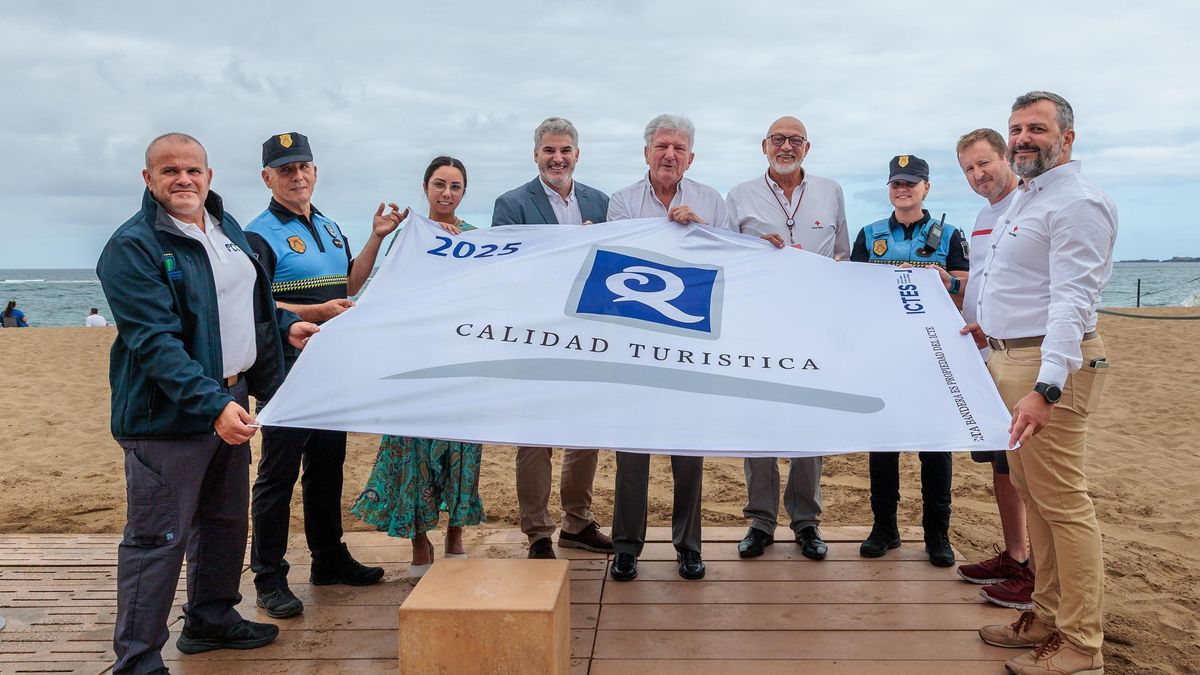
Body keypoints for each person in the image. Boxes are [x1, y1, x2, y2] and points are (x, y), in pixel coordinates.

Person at [97, 132, 319, 674]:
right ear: (148, 180)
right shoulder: (133, 246)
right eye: (169, 171)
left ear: (209, 176)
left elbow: (251, 305)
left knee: (223, 521)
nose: (183, 180)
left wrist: (286, 329)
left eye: (192, 170)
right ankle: (138, 660)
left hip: (232, 394)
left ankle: (211, 618)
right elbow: (155, 342)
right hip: (168, 417)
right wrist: (211, 405)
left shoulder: (226, 229)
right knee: (158, 538)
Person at [969, 91, 1116, 675]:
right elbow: (1026, 284)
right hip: (1013, 358)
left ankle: (1082, 643)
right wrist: (994, 326)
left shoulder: (1077, 201)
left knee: (1064, 505)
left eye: (1037, 128)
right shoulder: (1029, 197)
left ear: (1067, 138)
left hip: (1048, 368)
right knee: (1036, 498)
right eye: (1016, 128)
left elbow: (1071, 302)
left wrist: (1047, 387)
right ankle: (1049, 615)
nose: (1023, 138)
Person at [243, 132, 396, 619]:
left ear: (315, 170)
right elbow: (256, 305)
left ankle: (328, 559)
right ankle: (268, 576)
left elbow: (350, 283)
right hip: (285, 367)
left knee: (327, 466)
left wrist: (376, 236)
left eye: (303, 166)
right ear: (267, 178)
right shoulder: (257, 233)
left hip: (330, 363)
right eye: (285, 169)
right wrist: (319, 310)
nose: (297, 175)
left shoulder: (329, 226)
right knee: (278, 474)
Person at [606, 113, 728, 583]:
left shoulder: (711, 201)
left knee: (687, 451)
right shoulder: (622, 202)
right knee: (631, 450)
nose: (669, 155)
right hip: (633, 343)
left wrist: (701, 230)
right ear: (646, 153)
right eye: (661, 146)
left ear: (691, 157)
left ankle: (689, 546)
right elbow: (614, 261)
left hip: (689, 341)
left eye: (678, 148)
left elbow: (731, 259)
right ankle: (626, 547)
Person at [351, 156, 485, 581]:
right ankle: (418, 540)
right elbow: (358, 287)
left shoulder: (478, 238)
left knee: (463, 449)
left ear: (465, 193)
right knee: (412, 450)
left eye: (456, 187)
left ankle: (456, 536)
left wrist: (457, 252)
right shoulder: (405, 236)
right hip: (415, 360)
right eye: (440, 184)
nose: (447, 194)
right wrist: (379, 236)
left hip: (462, 362)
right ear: (425, 187)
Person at [724, 116, 849, 561]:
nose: (786, 147)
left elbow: (843, 257)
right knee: (759, 423)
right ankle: (760, 521)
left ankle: (806, 521)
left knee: (808, 425)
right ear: (764, 145)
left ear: (807, 148)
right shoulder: (739, 196)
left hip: (813, 327)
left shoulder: (831, 191)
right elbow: (724, 260)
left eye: (795, 140)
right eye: (779, 139)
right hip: (758, 327)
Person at [491, 117, 613, 559]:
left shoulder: (603, 203)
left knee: (585, 433)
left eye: (565, 150)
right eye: (549, 151)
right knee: (535, 436)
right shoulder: (510, 204)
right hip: (534, 335)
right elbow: (507, 270)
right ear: (536, 155)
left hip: (589, 335)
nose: (557, 158)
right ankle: (539, 532)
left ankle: (577, 523)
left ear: (577, 155)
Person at [851, 154, 967, 567]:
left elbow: (965, 290)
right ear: (889, 188)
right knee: (883, 444)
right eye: (897, 183)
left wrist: (944, 280)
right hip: (885, 353)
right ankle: (885, 528)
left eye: (911, 183)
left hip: (933, 355)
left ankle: (937, 533)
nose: (904, 189)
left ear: (926, 188)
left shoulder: (950, 234)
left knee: (935, 446)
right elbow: (854, 291)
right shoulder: (869, 234)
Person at [954, 128, 1035, 612]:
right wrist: (951, 282)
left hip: (1017, 354)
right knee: (1003, 465)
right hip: (983, 357)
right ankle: (1016, 555)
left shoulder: (1027, 206)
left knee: (1028, 469)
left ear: (1005, 157)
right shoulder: (985, 216)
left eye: (984, 162)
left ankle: (1036, 576)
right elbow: (985, 277)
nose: (978, 174)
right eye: (968, 168)